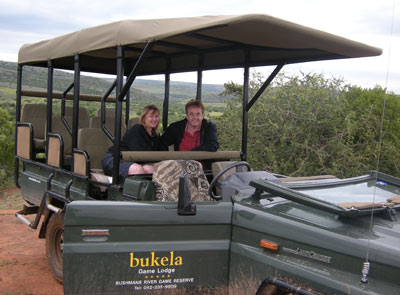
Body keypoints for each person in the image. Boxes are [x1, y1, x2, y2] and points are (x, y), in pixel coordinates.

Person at [102, 105, 161, 176]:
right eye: (151, 116)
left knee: (150, 169)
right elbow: (140, 153)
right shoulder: (137, 129)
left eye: (156, 116)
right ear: (144, 118)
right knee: (137, 169)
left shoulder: (155, 135)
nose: (154, 119)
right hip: (116, 159)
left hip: (133, 162)